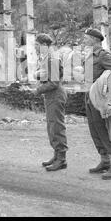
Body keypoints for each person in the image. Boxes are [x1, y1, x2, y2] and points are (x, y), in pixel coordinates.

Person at [83, 28, 111, 180]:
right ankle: (105, 160)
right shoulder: (89, 56)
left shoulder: (103, 55)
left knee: (106, 130)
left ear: (94, 40)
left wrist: (102, 85)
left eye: (86, 38)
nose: (84, 41)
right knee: (95, 129)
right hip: (89, 97)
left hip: (100, 98)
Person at [35, 33, 68, 171]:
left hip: (55, 94)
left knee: (56, 126)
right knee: (51, 126)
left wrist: (38, 90)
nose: (35, 48)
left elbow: (54, 82)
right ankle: (56, 155)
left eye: (36, 45)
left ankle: (61, 159)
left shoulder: (53, 58)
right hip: (50, 95)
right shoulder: (47, 58)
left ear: (44, 45)